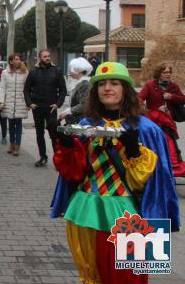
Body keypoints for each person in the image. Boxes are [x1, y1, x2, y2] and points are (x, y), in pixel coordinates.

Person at [51, 62, 180, 284]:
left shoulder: (147, 129)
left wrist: (133, 151)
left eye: (114, 83)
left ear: (126, 90)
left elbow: (154, 183)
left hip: (132, 214)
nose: (107, 88)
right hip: (86, 210)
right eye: (101, 84)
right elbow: (73, 174)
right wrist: (67, 146)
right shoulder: (84, 124)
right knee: (92, 276)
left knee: (132, 278)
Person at [139, 64, 185, 177]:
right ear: (159, 74)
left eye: (169, 72)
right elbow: (140, 98)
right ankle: (153, 167)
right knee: (153, 143)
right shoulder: (150, 85)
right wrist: (145, 110)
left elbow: (183, 99)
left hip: (168, 122)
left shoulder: (173, 86)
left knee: (169, 143)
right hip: (153, 120)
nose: (168, 74)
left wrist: (172, 97)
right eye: (165, 72)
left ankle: (171, 168)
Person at [23, 49, 67, 167]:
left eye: (48, 56)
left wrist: (58, 104)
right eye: (45, 56)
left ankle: (58, 159)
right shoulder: (33, 72)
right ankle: (43, 157)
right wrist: (30, 103)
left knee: (53, 133)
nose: (47, 58)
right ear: (40, 58)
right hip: (37, 107)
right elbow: (26, 89)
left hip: (51, 107)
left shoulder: (56, 71)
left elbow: (63, 90)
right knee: (39, 133)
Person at [0, 54, 28, 156]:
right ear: (11, 61)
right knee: (10, 125)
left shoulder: (25, 73)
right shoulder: (5, 73)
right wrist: (1, 101)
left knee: (18, 125)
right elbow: (2, 88)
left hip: (20, 102)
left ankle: (17, 146)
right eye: (16, 59)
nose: (18, 61)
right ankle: (11, 144)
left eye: (19, 59)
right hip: (8, 102)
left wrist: (28, 102)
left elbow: (28, 89)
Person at [58, 57, 93, 125]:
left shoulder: (85, 84)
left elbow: (85, 104)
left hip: (81, 120)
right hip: (78, 119)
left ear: (77, 70)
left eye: (71, 69)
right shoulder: (80, 83)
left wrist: (69, 111)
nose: (70, 72)